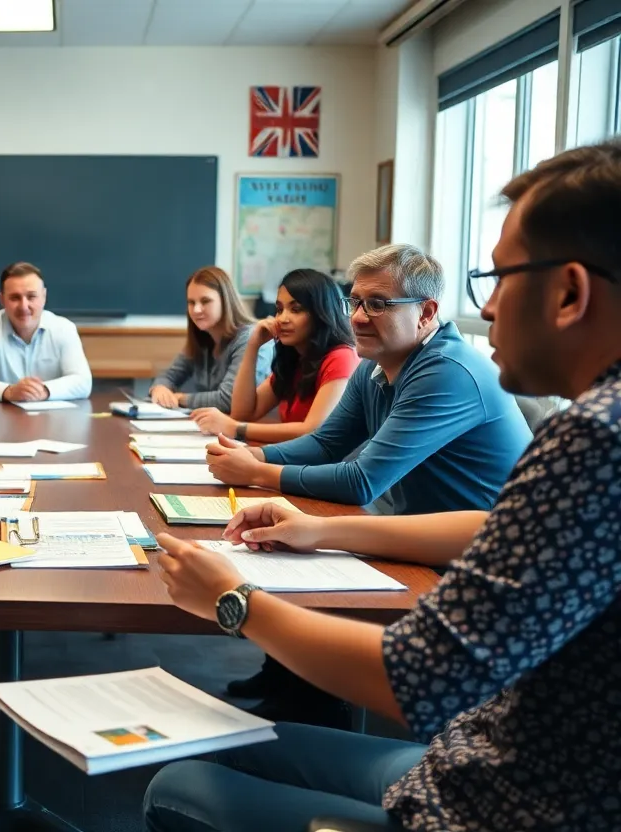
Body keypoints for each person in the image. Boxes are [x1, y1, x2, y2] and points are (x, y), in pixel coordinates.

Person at [144, 140, 621, 832]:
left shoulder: (594, 438)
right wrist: (323, 527)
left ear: (571, 291)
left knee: (176, 785)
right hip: (481, 755)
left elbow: (421, 680)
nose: (485, 310)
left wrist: (231, 601)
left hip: (508, 804)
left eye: (499, 278)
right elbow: (488, 526)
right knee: (229, 742)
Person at [205, 244, 531, 515]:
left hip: (479, 560)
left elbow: (362, 482)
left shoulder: (447, 371)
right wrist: (255, 455)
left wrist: (257, 472)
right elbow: (326, 444)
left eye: (377, 304)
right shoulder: (374, 362)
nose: (358, 318)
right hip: (411, 536)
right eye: (355, 302)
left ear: (426, 313)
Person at [192, 269, 359, 442]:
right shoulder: (295, 358)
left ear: (321, 313)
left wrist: (234, 428)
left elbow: (312, 430)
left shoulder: (342, 356)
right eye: (279, 309)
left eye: (295, 309)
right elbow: (242, 413)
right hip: (295, 460)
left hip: (322, 466)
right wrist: (252, 346)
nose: (282, 319)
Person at [0, 261, 92, 401]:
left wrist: (43, 391)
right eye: (15, 298)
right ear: (2, 300)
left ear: (44, 296)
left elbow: (83, 382)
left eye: (31, 297)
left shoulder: (64, 328)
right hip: (5, 418)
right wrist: (9, 391)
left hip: (54, 418)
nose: (24, 306)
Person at [149, 266, 273, 411]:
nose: (196, 310)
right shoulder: (202, 337)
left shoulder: (252, 338)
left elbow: (229, 399)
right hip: (214, 428)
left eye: (205, 301)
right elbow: (169, 375)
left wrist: (179, 398)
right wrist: (159, 388)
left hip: (255, 429)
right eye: (191, 302)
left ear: (225, 301)